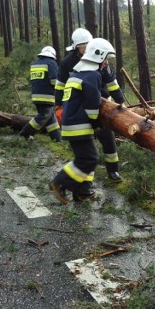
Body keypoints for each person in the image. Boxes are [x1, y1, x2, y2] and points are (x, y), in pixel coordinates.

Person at [50, 38, 116, 205]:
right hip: (79, 126)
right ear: (98, 55)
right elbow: (93, 105)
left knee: (84, 157)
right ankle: (60, 182)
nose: (107, 62)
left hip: (71, 125)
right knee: (89, 159)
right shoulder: (92, 75)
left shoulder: (78, 74)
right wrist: (96, 124)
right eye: (106, 57)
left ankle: (81, 192)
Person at [55, 28, 125, 183]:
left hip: (101, 104)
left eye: (88, 44)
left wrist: (121, 102)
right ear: (76, 47)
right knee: (87, 147)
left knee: (107, 137)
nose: (86, 48)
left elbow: (112, 83)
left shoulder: (101, 60)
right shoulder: (68, 62)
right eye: (82, 45)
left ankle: (113, 171)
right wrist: (59, 105)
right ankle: (86, 182)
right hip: (79, 106)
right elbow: (60, 85)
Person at [18, 46, 62, 142]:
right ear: (53, 55)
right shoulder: (51, 63)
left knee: (50, 118)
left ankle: (57, 138)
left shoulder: (34, 64)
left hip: (36, 96)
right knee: (43, 116)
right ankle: (26, 132)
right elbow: (54, 80)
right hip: (48, 97)